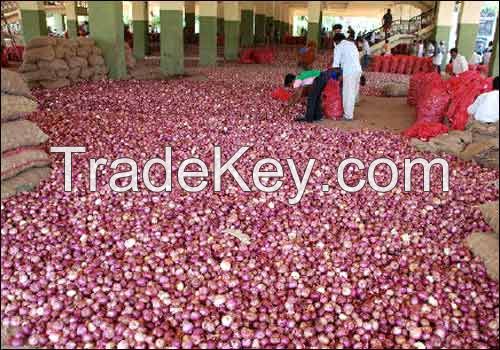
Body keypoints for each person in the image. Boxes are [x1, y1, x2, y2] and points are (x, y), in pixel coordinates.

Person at [332, 33, 362, 121]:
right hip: (358, 70)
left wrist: (336, 76)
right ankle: (350, 112)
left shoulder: (339, 47)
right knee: (353, 93)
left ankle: (348, 116)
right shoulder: (352, 45)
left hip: (349, 72)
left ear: (337, 41)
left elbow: (336, 63)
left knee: (348, 94)